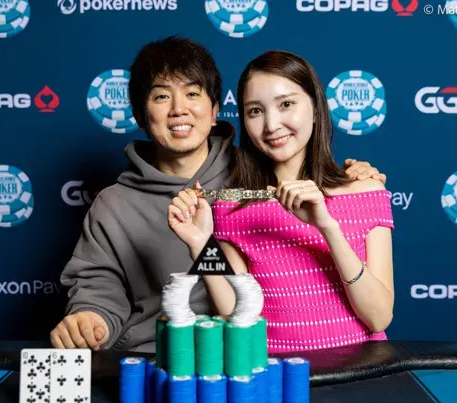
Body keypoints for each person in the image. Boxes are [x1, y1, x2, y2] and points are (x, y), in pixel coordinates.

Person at [50, 37, 387, 353]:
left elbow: (309, 174)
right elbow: (98, 286)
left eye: (192, 94)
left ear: (215, 111)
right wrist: (89, 319)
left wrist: (354, 178)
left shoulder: (255, 175)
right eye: (162, 97)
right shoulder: (114, 205)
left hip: (254, 355)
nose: (179, 109)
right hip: (165, 354)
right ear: (139, 115)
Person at [168, 50, 394, 353]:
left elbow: (379, 318)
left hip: (359, 372)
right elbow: (236, 315)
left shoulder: (366, 191)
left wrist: (327, 226)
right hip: (274, 371)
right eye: (255, 111)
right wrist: (201, 245)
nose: (271, 124)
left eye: (286, 104)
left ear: (316, 108)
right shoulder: (233, 206)